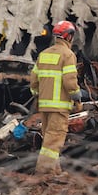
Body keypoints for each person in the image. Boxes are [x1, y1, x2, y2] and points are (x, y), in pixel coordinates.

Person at [29, 20, 82, 174]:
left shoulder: (43, 54)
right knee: (54, 140)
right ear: (69, 37)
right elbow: (70, 81)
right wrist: (77, 98)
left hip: (45, 106)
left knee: (49, 139)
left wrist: (38, 95)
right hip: (59, 107)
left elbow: (33, 80)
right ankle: (44, 172)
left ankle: (55, 170)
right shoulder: (68, 55)